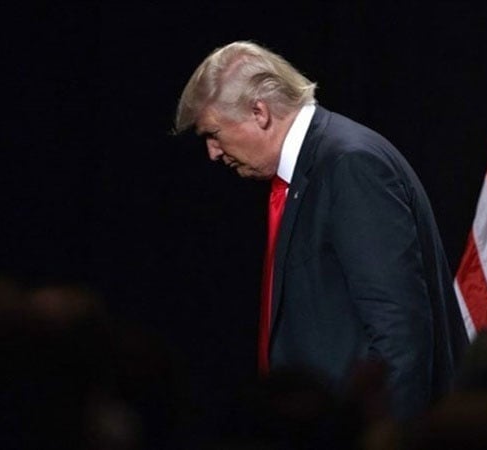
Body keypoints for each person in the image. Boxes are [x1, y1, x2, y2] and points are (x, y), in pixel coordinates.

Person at [174, 40, 468, 420]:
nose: (212, 151)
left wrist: (386, 438)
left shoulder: (350, 164)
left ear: (259, 112)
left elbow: (399, 333)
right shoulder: (306, 172)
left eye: (213, 133)